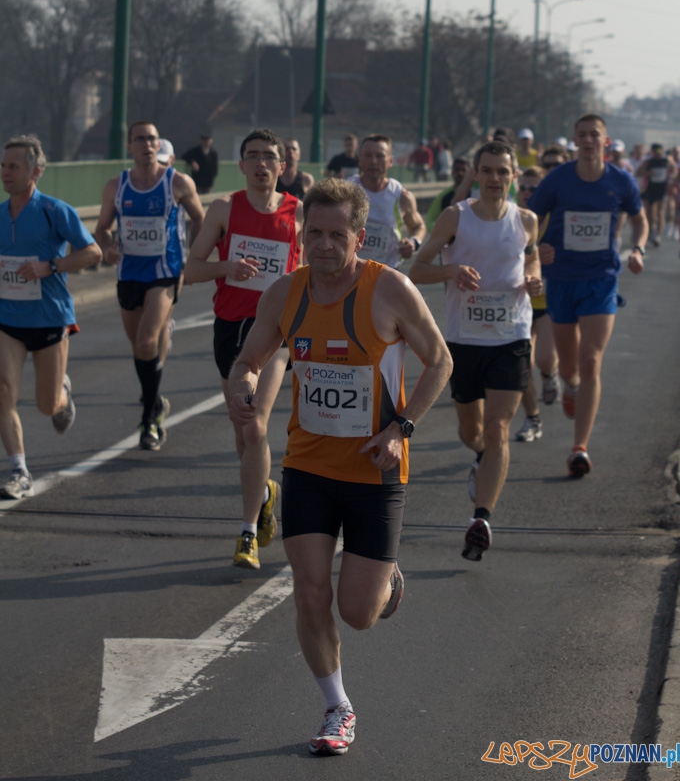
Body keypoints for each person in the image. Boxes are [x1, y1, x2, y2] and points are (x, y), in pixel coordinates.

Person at [228, 178, 452, 756]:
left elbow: (440, 361)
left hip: (376, 469)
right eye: (314, 234)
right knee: (308, 594)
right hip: (308, 465)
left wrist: (401, 428)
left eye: (336, 235)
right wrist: (244, 382)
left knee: (357, 613)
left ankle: (383, 582)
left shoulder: (390, 289)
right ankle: (337, 706)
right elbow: (251, 356)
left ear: (359, 235)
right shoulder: (286, 292)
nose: (323, 245)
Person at [410, 140, 542, 561]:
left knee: (499, 426)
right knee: (472, 432)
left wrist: (535, 279)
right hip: (465, 339)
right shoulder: (456, 217)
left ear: (513, 176)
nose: (495, 179)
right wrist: (450, 270)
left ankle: (480, 519)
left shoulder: (526, 220)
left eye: (503, 172)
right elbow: (418, 268)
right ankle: (481, 457)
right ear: (476, 173)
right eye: (487, 171)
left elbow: (532, 261)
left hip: (512, 336)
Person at [184, 128, 303, 569]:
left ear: (281, 166)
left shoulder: (298, 213)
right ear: (242, 165)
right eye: (252, 156)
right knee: (243, 429)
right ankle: (267, 490)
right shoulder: (224, 209)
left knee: (253, 423)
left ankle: (248, 531)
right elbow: (192, 270)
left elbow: (313, 272)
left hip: (275, 331)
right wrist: (227, 266)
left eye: (269, 157)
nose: (261, 164)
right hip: (231, 328)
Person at [527, 114, 648, 477]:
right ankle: (571, 385)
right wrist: (537, 249)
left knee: (592, 360)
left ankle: (579, 447)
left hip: (601, 278)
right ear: (575, 141)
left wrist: (638, 249)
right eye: (582, 134)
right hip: (561, 280)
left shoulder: (621, 181)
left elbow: (639, 219)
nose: (588, 140)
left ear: (605, 141)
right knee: (570, 367)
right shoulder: (558, 180)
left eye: (595, 134)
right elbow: (528, 221)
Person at [0, 136, 102, 500]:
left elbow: (93, 252)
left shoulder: (54, 211)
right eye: (3, 166)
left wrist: (51, 266)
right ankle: (18, 470)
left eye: (13, 166)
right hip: (7, 317)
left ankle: (62, 392)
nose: (5, 173)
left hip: (48, 317)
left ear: (35, 172)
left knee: (46, 405)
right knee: (4, 391)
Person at [95, 121, 204, 451]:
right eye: (140, 139)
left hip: (165, 272)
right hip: (128, 274)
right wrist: (107, 250)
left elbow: (200, 218)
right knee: (140, 347)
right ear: (129, 146)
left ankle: (149, 421)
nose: (147, 144)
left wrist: (190, 257)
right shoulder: (117, 186)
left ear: (159, 145)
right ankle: (157, 403)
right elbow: (101, 229)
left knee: (145, 343)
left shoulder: (177, 182)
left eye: (152, 139)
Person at [513, 166, 559, 442]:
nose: (528, 193)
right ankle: (533, 418)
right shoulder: (507, 218)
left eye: (535, 189)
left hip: (548, 300)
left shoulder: (555, 219)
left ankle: (551, 374)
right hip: (517, 301)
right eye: (524, 188)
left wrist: (550, 256)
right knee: (521, 365)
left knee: (543, 359)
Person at [349, 135, 426, 267]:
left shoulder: (401, 196)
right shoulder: (346, 190)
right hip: (351, 271)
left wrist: (413, 242)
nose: (373, 161)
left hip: (386, 273)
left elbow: (419, 226)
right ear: (359, 160)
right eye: (368, 155)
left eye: (380, 156)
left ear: (390, 161)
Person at [640, 143, 676, 247]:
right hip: (651, 189)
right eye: (656, 153)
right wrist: (648, 174)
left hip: (662, 189)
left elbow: (674, 167)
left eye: (659, 153)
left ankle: (658, 236)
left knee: (660, 213)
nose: (658, 155)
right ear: (652, 152)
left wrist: (673, 174)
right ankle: (652, 230)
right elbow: (640, 171)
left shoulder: (666, 160)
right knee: (651, 214)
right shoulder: (649, 161)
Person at [425, 157, 471, 232]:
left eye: (463, 170)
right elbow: (430, 220)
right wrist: (443, 232)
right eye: (457, 169)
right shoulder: (444, 196)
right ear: (452, 172)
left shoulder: (476, 194)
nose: (460, 173)